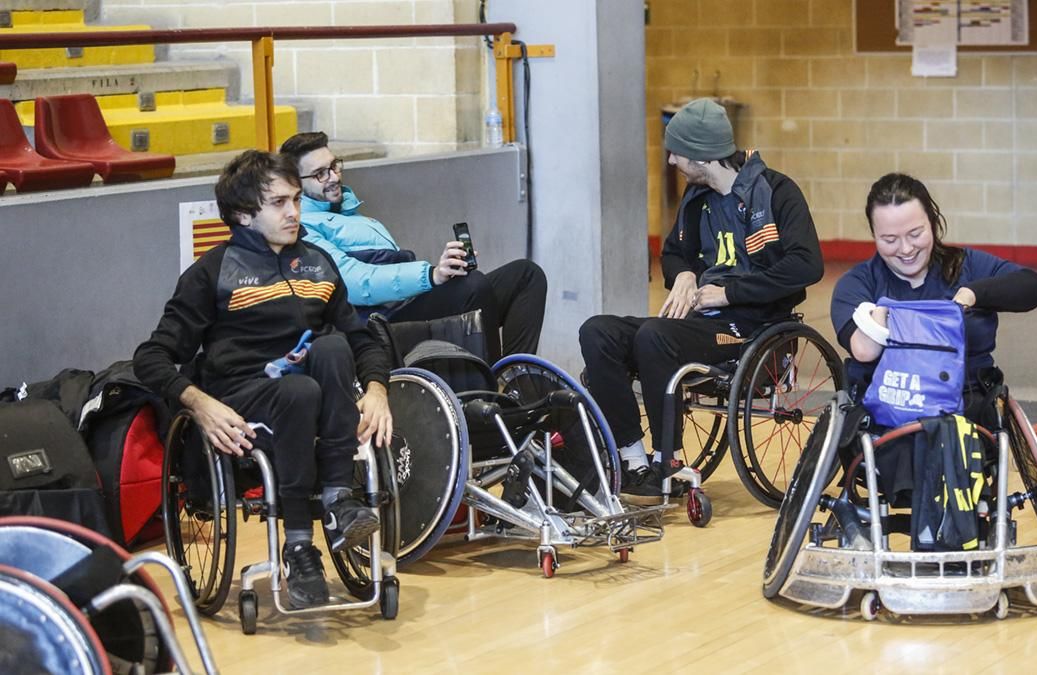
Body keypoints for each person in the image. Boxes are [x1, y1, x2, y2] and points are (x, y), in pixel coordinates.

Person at [133, 150, 393, 609]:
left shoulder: (317, 264)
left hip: (314, 397)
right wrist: (198, 402)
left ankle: (337, 499)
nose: (293, 212)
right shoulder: (210, 274)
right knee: (299, 389)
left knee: (331, 348)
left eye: (295, 199)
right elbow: (151, 358)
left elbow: (361, 340)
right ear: (242, 214)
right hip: (242, 397)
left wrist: (376, 389)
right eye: (278, 203)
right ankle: (298, 544)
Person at [579, 98, 824, 496]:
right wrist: (685, 274)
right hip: (698, 324)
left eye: (677, 152)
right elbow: (674, 252)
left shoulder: (777, 192)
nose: (672, 161)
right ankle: (632, 458)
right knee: (597, 332)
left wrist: (729, 294)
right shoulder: (697, 200)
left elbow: (806, 266)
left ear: (703, 157)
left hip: (750, 328)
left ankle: (669, 460)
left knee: (654, 336)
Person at [278, 131, 547, 362]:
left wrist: (445, 271)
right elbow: (357, 284)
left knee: (525, 276)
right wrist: (431, 275)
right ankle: (489, 392)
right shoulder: (306, 228)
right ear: (296, 185)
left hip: (404, 304)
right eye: (320, 174)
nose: (334, 177)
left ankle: (518, 381)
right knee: (472, 287)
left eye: (334, 166)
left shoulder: (348, 212)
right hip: (381, 319)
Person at [831, 171, 1037, 422]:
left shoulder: (965, 265)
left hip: (968, 405)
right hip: (888, 410)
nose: (906, 249)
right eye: (890, 239)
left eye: (915, 234)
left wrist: (973, 293)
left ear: (933, 223)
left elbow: (1032, 287)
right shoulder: (858, 283)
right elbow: (864, 350)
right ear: (874, 236)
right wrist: (881, 314)